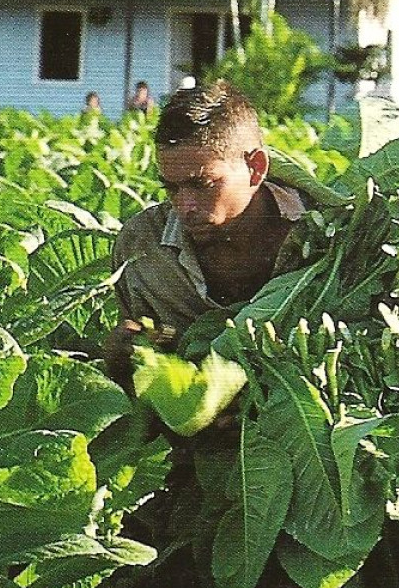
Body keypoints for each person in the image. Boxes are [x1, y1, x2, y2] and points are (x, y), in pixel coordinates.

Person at [103, 79, 306, 383]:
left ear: (256, 168)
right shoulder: (141, 249)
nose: (184, 207)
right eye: (171, 188)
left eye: (203, 185)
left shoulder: (324, 240)